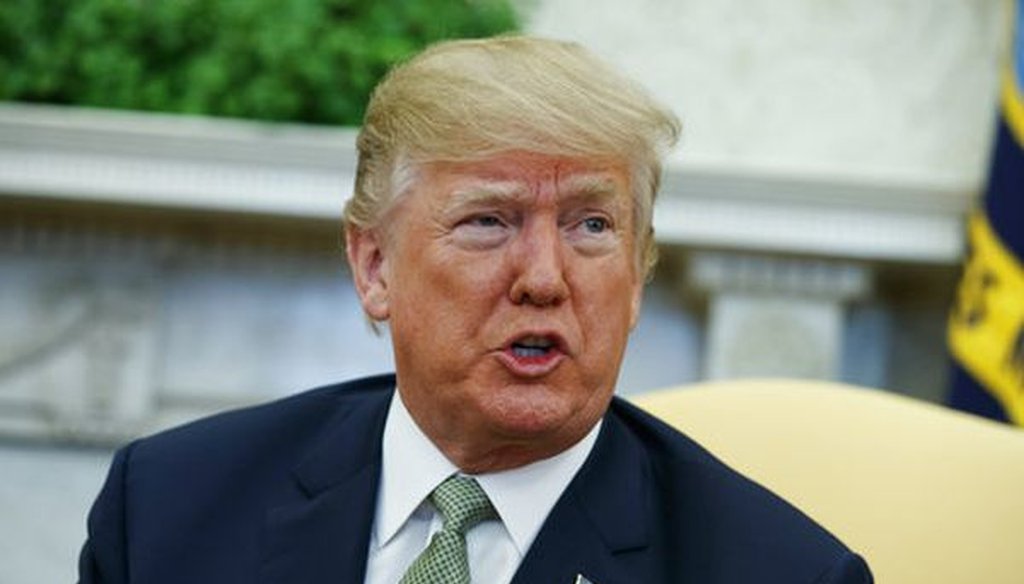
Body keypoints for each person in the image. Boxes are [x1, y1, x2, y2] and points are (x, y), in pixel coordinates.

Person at [78, 36, 873, 584]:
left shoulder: (781, 571)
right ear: (374, 264)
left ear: (635, 277)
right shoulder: (171, 507)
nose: (544, 279)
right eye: (488, 221)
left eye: (592, 226)